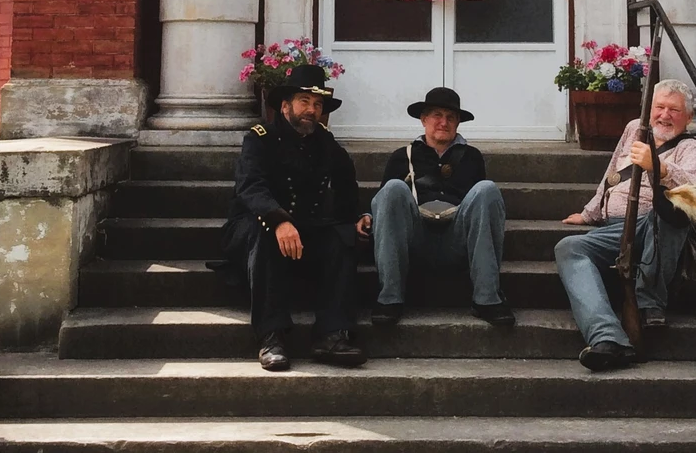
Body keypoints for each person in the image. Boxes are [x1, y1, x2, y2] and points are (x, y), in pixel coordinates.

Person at [554, 79, 696, 371]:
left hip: (657, 229)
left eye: (674, 110)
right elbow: (613, 172)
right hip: (615, 228)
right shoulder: (634, 129)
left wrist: (661, 169)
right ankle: (606, 337)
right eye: (659, 107)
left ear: (688, 118)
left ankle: (649, 300)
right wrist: (590, 213)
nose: (664, 115)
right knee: (569, 248)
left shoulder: (691, 148)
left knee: (670, 212)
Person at [221, 64, 366, 372]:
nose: (311, 110)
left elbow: (346, 185)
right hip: (253, 228)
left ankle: (332, 334)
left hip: (306, 230)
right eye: (304, 101)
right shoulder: (259, 139)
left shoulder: (325, 142)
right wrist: (279, 220)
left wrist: (357, 217)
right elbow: (251, 187)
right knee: (265, 232)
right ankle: (271, 337)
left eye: (317, 105)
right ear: (285, 105)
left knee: (341, 237)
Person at [358, 86, 515, 327]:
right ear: (423, 119)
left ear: (458, 123)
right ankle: (389, 298)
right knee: (393, 188)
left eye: (451, 117)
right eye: (437, 116)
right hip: (415, 239)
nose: (444, 122)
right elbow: (385, 202)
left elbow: (480, 209)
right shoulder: (403, 156)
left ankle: (487, 298)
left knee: (487, 189)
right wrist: (367, 216)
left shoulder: (472, 156)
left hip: (456, 240)